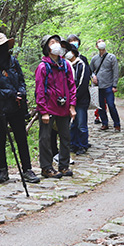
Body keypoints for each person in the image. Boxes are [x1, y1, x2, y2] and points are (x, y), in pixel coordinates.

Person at [0, 33, 40, 185]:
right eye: (1, 47)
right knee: (0, 140)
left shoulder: (13, 62)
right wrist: (11, 94)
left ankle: (27, 169)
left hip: (16, 108)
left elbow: (21, 80)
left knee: (21, 138)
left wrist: (21, 92)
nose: (5, 49)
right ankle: (3, 170)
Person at [35, 34, 77, 178]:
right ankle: (46, 168)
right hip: (48, 108)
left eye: (57, 42)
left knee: (66, 137)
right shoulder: (42, 67)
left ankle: (63, 166)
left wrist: (72, 105)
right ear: (46, 47)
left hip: (64, 107)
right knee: (45, 138)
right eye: (52, 42)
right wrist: (43, 111)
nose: (56, 44)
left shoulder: (65, 65)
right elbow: (39, 90)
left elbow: (72, 85)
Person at [90, 39, 121, 131]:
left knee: (111, 105)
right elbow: (90, 70)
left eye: (102, 41)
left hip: (109, 86)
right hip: (98, 87)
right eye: (98, 42)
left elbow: (115, 71)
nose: (101, 43)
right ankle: (104, 123)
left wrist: (114, 85)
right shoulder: (94, 59)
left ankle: (117, 124)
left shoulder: (112, 57)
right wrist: (93, 76)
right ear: (96, 46)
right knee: (100, 107)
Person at [66, 46, 91, 154]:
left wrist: (74, 97)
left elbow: (83, 83)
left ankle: (82, 145)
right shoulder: (66, 65)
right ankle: (73, 144)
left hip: (81, 100)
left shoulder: (81, 65)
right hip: (70, 100)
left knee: (81, 123)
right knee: (73, 124)